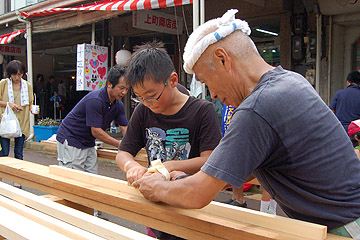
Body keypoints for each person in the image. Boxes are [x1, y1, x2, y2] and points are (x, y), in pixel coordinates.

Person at [132, 9, 360, 239]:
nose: (212, 94)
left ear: (223, 59)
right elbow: (242, 168)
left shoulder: (257, 106)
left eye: (206, 81)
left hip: (344, 227)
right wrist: (185, 180)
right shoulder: (289, 80)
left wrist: (155, 187)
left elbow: (196, 195)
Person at [115, 42, 222, 239]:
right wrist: (131, 167)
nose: (147, 103)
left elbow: (211, 160)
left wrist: (171, 166)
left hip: (191, 204)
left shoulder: (202, 111)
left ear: (172, 80)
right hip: (154, 203)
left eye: (152, 95)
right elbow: (123, 152)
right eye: (139, 98)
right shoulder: (143, 111)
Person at [56, 65, 129, 174]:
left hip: (88, 142)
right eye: (121, 88)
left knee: (92, 177)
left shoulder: (118, 105)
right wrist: (119, 144)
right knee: (73, 178)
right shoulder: (95, 100)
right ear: (109, 84)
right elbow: (96, 131)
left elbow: (125, 128)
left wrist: (131, 144)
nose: (124, 92)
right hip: (71, 138)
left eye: (127, 89)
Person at [0, 60, 37, 160]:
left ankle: (18, 174)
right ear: (10, 74)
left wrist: (33, 109)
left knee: (19, 152)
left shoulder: (27, 86)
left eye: (19, 75)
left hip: (22, 122)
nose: (17, 78)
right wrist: (8, 104)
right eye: (14, 75)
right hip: (6, 121)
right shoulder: (4, 84)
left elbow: (30, 103)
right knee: (4, 152)